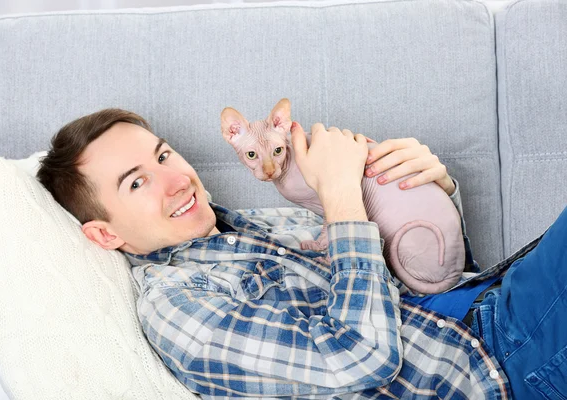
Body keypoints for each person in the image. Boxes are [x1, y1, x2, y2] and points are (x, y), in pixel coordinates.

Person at [37, 108, 567, 399]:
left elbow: (421, 292)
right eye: (137, 183)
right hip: (497, 370)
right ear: (105, 236)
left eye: (164, 155)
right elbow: (359, 360)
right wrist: (339, 200)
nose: (177, 180)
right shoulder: (179, 309)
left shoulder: (256, 226)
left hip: (494, 310)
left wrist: (433, 191)